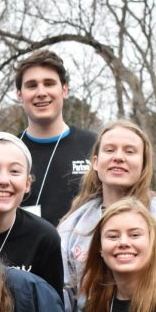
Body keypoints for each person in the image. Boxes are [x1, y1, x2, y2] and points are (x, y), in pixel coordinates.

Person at [58, 120, 156, 312]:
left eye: (130, 151)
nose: (118, 157)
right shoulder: (72, 227)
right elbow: (61, 307)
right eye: (110, 149)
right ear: (96, 162)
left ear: (143, 163)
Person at [0, 132, 63, 294]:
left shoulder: (44, 237)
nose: (4, 180)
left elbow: (51, 308)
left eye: (14, 172)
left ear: (27, 183)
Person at [14, 49, 96, 226]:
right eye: (31, 85)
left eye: (49, 83)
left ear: (64, 90)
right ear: (19, 94)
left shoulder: (95, 146)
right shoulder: (7, 151)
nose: (41, 92)